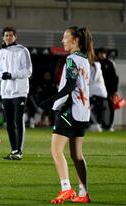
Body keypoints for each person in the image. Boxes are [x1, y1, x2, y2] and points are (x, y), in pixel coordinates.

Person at [39, 26, 94, 204]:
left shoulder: (71, 59)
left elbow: (70, 85)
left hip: (70, 110)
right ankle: (83, 193)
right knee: (77, 155)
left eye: (65, 37)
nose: (62, 40)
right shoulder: (86, 60)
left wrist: (51, 101)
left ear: (75, 40)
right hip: (83, 112)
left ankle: (66, 188)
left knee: (55, 150)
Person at [0, 27, 32, 160]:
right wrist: (2, 76)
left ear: (15, 37)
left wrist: (12, 75)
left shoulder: (22, 50)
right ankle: (14, 150)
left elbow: (28, 71)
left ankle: (19, 152)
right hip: (6, 92)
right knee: (9, 122)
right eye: (6, 35)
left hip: (20, 91)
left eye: (11, 35)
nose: (8, 37)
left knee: (18, 120)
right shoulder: (0, 53)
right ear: (3, 37)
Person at [96, 48, 119, 131]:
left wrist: (115, 90)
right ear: (97, 54)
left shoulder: (110, 63)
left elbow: (115, 78)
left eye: (103, 53)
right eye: (100, 53)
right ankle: (100, 123)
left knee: (111, 107)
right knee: (99, 107)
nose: (102, 55)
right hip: (99, 90)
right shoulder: (96, 64)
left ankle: (110, 125)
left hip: (110, 90)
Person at [89, 61, 107, 132]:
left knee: (94, 109)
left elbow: (92, 80)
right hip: (95, 93)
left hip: (98, 93)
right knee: (94, 109)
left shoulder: (96, 68)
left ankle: (97, 125)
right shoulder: (92, 68)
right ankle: (96, 125)